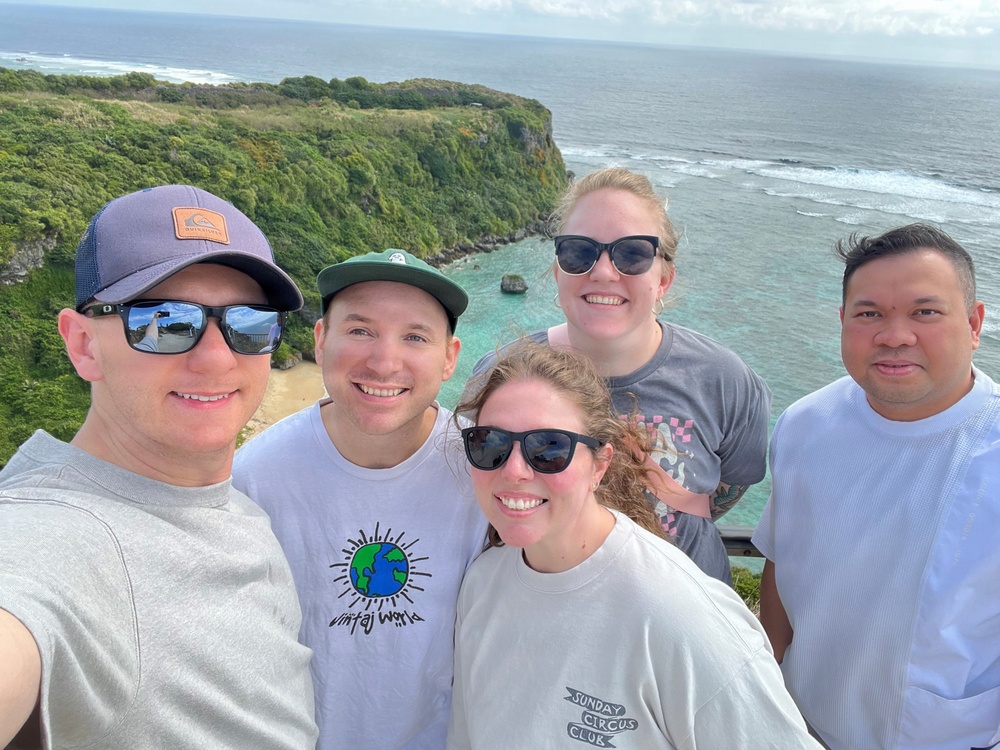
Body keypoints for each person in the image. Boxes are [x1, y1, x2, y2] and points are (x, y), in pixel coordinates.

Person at [0, 184, 318, 748]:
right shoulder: (57, 535)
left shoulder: (231, 501)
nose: (217, 356)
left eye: (247, 323)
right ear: (83, 345)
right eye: (164, 321)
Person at [448, 341, 819, 748]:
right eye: (490, 444)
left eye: (549, 448)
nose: (515, 471)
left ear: (600, 465)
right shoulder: (482, 585)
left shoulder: (680, 616)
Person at [753, 224, 1000, 750]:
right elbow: (780, 561)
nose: (895, 335)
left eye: (925, 312)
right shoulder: (804, 424)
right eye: (870, 314)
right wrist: (763, 690)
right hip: (800, 726)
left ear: (975, 323)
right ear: (843, 321)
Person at [233, 249, 489, 750]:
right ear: (322, 339)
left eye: (415, 337)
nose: (384, 361)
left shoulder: (487, 471)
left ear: (449, 358)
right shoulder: (255, 478)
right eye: (360, 330)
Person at [470, 167, 771, 584]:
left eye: (632, 254)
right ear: (558, 272)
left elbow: (730, 485)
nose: (605, 272)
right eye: (579, 252)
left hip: (685, 611)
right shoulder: (501, 375)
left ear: (663, 278)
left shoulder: (723, 380)